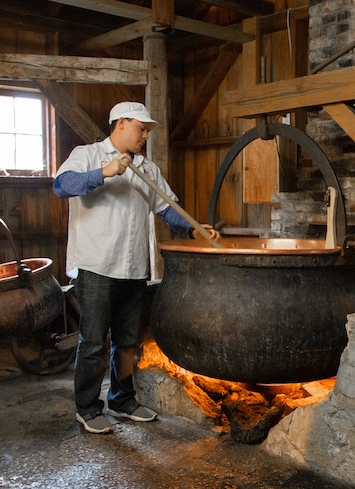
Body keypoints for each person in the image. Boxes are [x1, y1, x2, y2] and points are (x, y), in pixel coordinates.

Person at [53, 101, 220, 434]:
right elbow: (61, 186)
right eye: (141, 128)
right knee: (94, 342)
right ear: (121, 123)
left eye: (147, 130)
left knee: (128, 341)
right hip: (97, 265)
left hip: (134, 267)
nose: (145, 135)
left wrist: (193, 228)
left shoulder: (148, 168)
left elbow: (168, 208)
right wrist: (104, 173)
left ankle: (122, 400)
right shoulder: (87, 154)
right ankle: (87, 408)